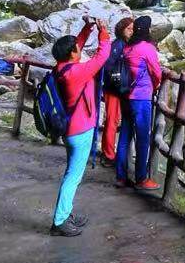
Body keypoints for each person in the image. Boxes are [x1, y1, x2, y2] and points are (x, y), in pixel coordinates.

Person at [49, 18, 111, 236]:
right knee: (72, 177)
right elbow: (101, 57)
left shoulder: (60, 68)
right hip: (80, 130)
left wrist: (87, 28)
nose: (79, 47)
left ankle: (66, 213)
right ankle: (59, 221)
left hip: (70, 130)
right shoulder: (76, 73)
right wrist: (103, 32)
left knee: (70, 174)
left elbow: (77, 46)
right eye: (76, 48)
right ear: (73, 54)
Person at [116, 14, 162, 192]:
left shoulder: (128, 47)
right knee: (143, 138)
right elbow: (157, 73)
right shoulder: (147, 48)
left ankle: (121, 176)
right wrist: (155, 86)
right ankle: (141, 178)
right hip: (141, 98)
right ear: (148, 30)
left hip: (126, 96)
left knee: (125, 136)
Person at [100, 16, 135, 165]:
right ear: (121, 30)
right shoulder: (117, 45)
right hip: (114, 89)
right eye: (129, 29)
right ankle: (108, 155)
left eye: (133, 29)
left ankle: (111, 152)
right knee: (112, 121)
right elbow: (107, 66)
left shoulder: (126, 45)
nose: (131, 32)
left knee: (114, 121)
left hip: (121, 89)